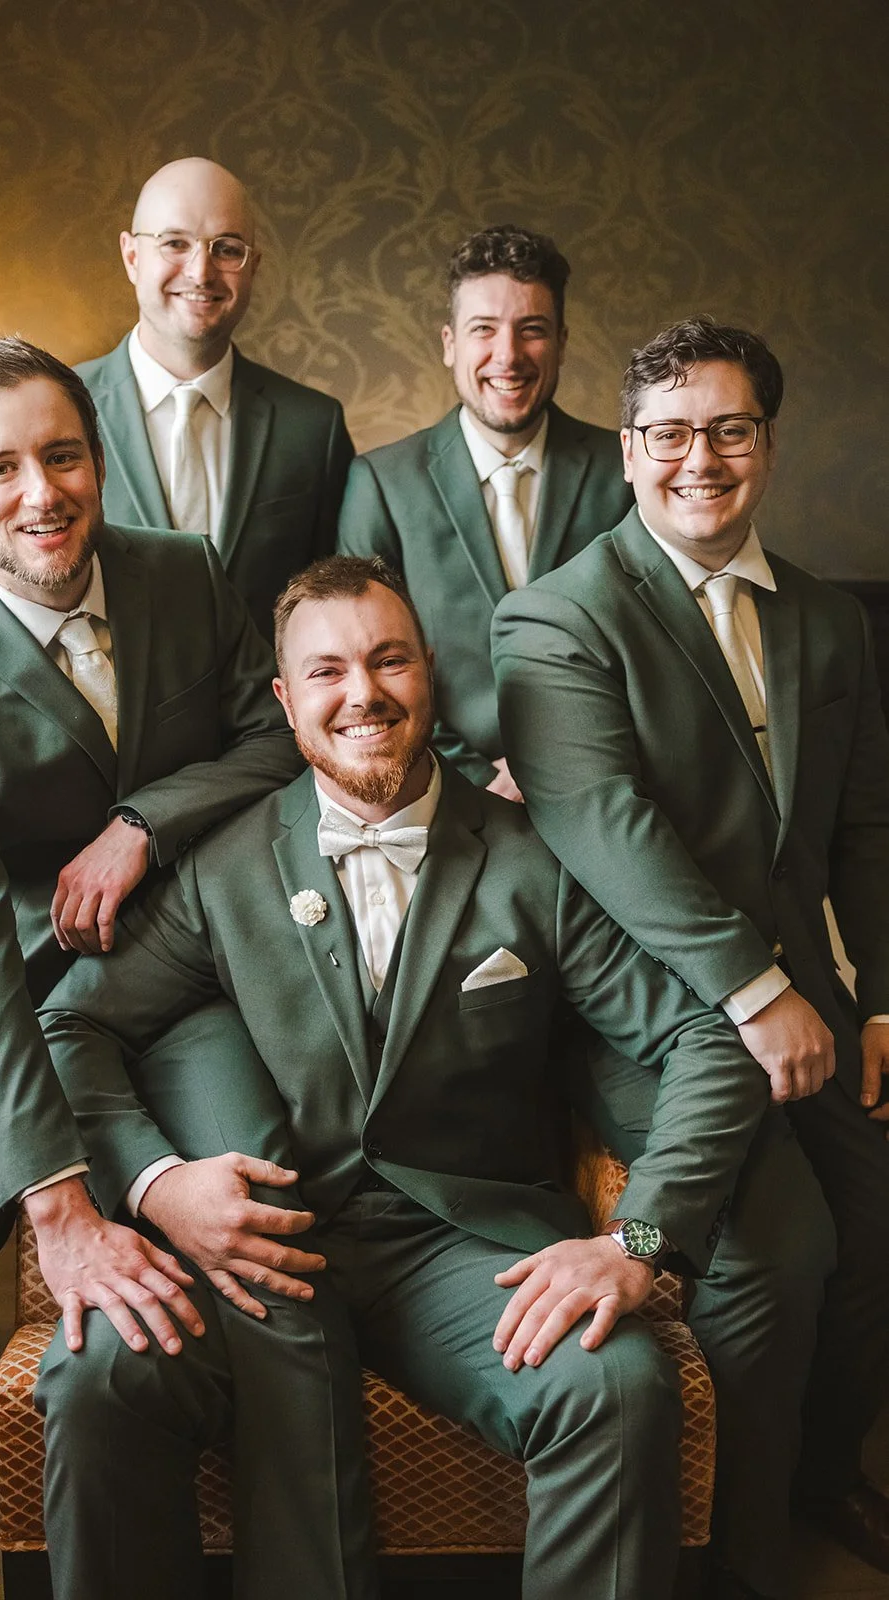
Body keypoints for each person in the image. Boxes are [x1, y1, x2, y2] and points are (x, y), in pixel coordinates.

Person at [34, 554, 816, 1600]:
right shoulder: (218, 869)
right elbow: (69, 1026)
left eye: (387, 659)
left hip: (462, 1249)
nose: (363, 693)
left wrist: (635, 1243)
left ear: (429, 673)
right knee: (97, 1372)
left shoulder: (534, 860)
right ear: (285, 701)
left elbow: (704, 1041)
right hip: (252, 1251)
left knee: (617, 1382)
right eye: (327, 673)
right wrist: (156, 1184)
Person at [0, 336, 344, 1600]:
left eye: (61, 454)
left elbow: (269, 746)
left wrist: (143, 822)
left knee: (266, 1228)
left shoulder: (184, 573)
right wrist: (56, 1211)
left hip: (179, 983)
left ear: (97, 458)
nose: (39, 491)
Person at [493, 317, 889, 1597]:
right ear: (626, 449)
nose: (697, 460)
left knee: (874, 1223)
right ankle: (742, 1563)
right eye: (668, 433)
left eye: (728, 429)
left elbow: (862, 826)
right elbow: (605, 827)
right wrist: (755, 990)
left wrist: (876, 995)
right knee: (775, 1260)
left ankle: (818, 1480)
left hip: (815, 999)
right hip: (643, 1017)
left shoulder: (829, 623)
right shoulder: (552, 620)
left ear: (766, 443)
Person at [338, 224, 632, 797]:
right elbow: (364, 663)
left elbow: (650, 648)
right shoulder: (381, 482)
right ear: (450, 343)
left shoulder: (622, 471)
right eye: (483, 330)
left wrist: (573, 764)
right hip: (440, 791)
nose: (509, 355)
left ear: (563, 342)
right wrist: (472, 774)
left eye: (532, 331)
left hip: (603, 783)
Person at [76, 156, 353, 639]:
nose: (201, 272)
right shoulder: (63, 408)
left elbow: (333, 608)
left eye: (227, 249)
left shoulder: (314, 427)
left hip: (266, 713)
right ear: (131, 256)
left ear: (254, 266)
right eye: (175, 244)